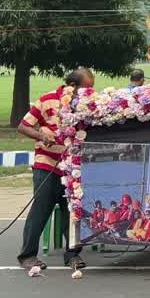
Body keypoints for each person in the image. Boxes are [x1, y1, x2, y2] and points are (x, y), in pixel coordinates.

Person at [16, 67, 91, 271]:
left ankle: (72, 255)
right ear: (72, 86)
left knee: (72, 212)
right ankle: (28, 255)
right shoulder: (47, 99)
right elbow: (23, 126)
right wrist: (41, 136)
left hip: (73, 167)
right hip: (47, 164)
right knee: (41, 210)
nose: (90, 92)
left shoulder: (87, 105)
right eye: (87, 88)